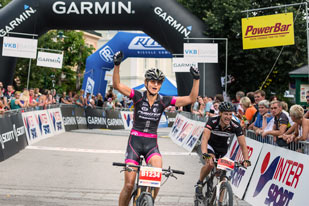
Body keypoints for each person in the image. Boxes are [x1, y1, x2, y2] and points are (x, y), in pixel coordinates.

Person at [112, 51, 200, 206]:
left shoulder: (165, 100)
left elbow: (191, 99)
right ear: (146, 82)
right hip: (135, 142)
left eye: (158, 82)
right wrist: (117, 65)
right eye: (152, 81)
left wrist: (196, 79)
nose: (155, 85)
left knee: (156, 178)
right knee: (128, 185)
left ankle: (147, 201)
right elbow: (117, 85)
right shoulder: (137, 96)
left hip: (151, 144)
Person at [195, 102, 251, 199]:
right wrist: (205, 153)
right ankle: (200, 183)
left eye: (230, 114)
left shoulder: (235, 125)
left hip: (223, 150)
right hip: (210, 147)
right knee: (210, 164)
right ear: (220, 113)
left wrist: (246, 159)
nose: (228, 117)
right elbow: (204, 139)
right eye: (226, 114)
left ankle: (220, 200)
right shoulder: (212, 121)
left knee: (222, 174)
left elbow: (243, 144)